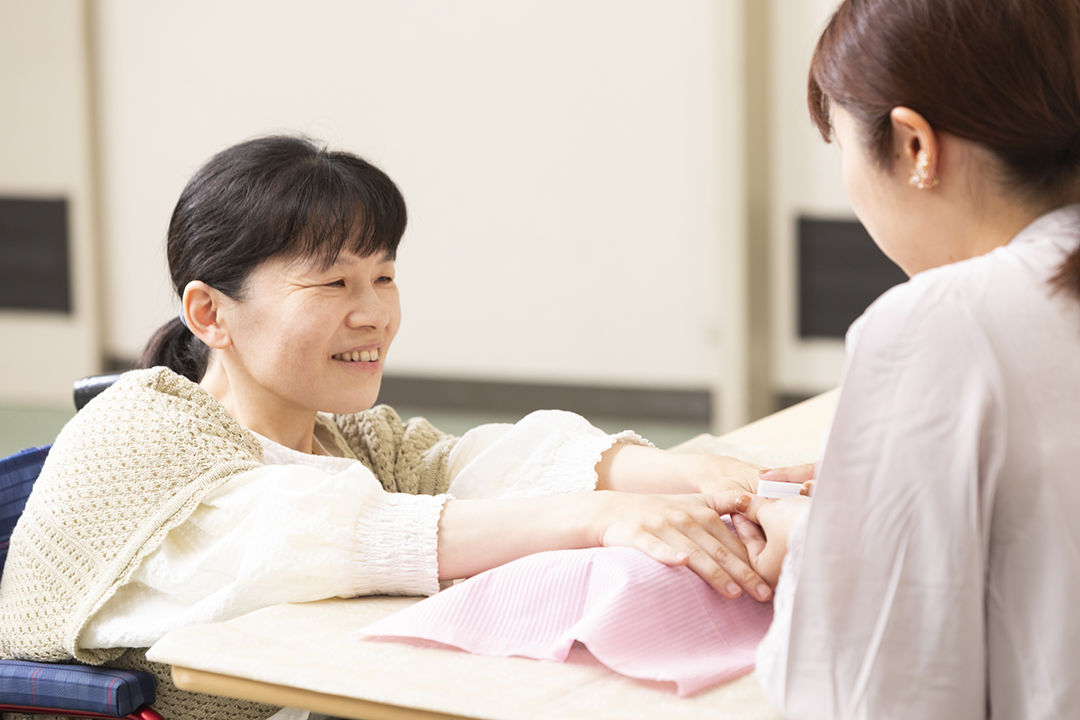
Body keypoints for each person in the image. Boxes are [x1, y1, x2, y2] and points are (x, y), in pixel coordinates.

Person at [0, 135, 771, 719]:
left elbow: (466, 465)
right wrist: (596, 517)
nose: (373, 312)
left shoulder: (339, 432)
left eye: (385, 276)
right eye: (334, 281)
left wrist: (689, 476)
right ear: (210, 313)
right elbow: (320, 534)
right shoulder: (140, 431)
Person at [731, 1, 1080, 718]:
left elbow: (868, 694)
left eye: (843, 148)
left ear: (915, 146)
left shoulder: (943, 324)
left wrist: (821, 546)